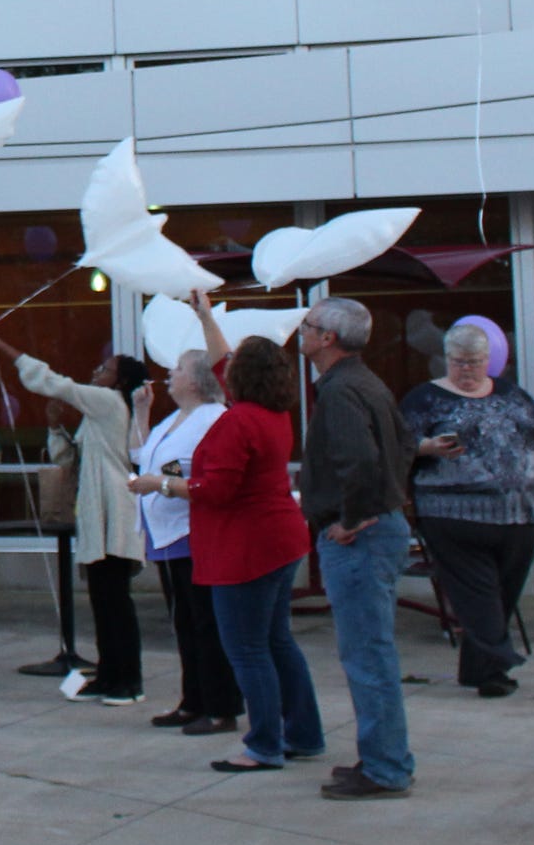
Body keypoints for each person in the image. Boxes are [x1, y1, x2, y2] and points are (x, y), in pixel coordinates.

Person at [168, 332, 321, 775]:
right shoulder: (275, 414)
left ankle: (265, 743)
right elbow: (221, 362)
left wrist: (165, 484)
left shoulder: (238, 421)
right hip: (281, 539)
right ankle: (303, 734)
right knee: (277, 641)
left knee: (249, 650)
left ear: (242, 377)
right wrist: (203, 313)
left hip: (245, 547)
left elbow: (216, 490)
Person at [0, 329, 144, 704]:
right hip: (97, 515)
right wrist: (55, 427)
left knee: (116, 602)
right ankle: (108, 675)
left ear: (117, 381)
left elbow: (56, 383)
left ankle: (128, 681)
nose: (96, 373)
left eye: (104, 369)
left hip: (114, 516)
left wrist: (4, 345)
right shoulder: (98, 415)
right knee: (104, 602)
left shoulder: (110, 401)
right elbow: (70, 459)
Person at [401, 321, 534, 697]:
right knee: (478, 593)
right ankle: (502, 656)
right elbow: (397, 444)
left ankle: (484, 673)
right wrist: (428, 448)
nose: (467, 370)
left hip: (521, 513)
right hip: (454, 513)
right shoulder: (425, 399)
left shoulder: (513, 394)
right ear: (446, 360)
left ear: (489, 360)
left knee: (503, 593)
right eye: (459, 362)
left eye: (474, 362)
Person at [298, 297, 416, 801]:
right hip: (376, 528)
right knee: (370, 653)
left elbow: (363, 461)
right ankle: (381, 757)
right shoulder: (364, 383)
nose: (299, 332)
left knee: (368, 654)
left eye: (307, 325)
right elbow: (407, 444)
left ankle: (386, 768)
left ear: (327, 339)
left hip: (361, 538)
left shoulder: (345, 391)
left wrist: (353, 518)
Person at [126, 294, 238, 734]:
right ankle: (193, 698)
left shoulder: (212, 417)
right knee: (184, 621)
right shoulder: (171, 419)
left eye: (174, 371)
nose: (167, 377)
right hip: (164, 529)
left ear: (194, 379)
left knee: (205, 621)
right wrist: (140, 411)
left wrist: (162, 481)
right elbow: (140, 453)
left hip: (193, 530)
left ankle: (220, 703)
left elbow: (193, 467)